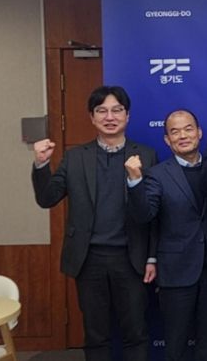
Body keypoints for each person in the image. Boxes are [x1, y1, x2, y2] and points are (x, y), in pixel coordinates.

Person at [31, 85, 157, 361]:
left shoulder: (146, 155)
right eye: (102, 111)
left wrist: (152, 256)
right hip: (89, 259)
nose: (109, 117)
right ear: (92, 117)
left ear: (127, 115)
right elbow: (47, 198)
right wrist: (41, 165)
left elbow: (153, 214)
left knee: (136, 333)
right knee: (95, 335)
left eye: (116, 110)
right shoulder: (76, 157)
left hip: (131, 258)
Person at [126, 109, 207, 361]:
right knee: (176, 344)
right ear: (167, 140)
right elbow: (144, 215)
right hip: (176, 271)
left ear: (199, 133)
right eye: (175, 132)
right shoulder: (157, 174)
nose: (183, 136)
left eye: (188, 129)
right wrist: (135, 182)